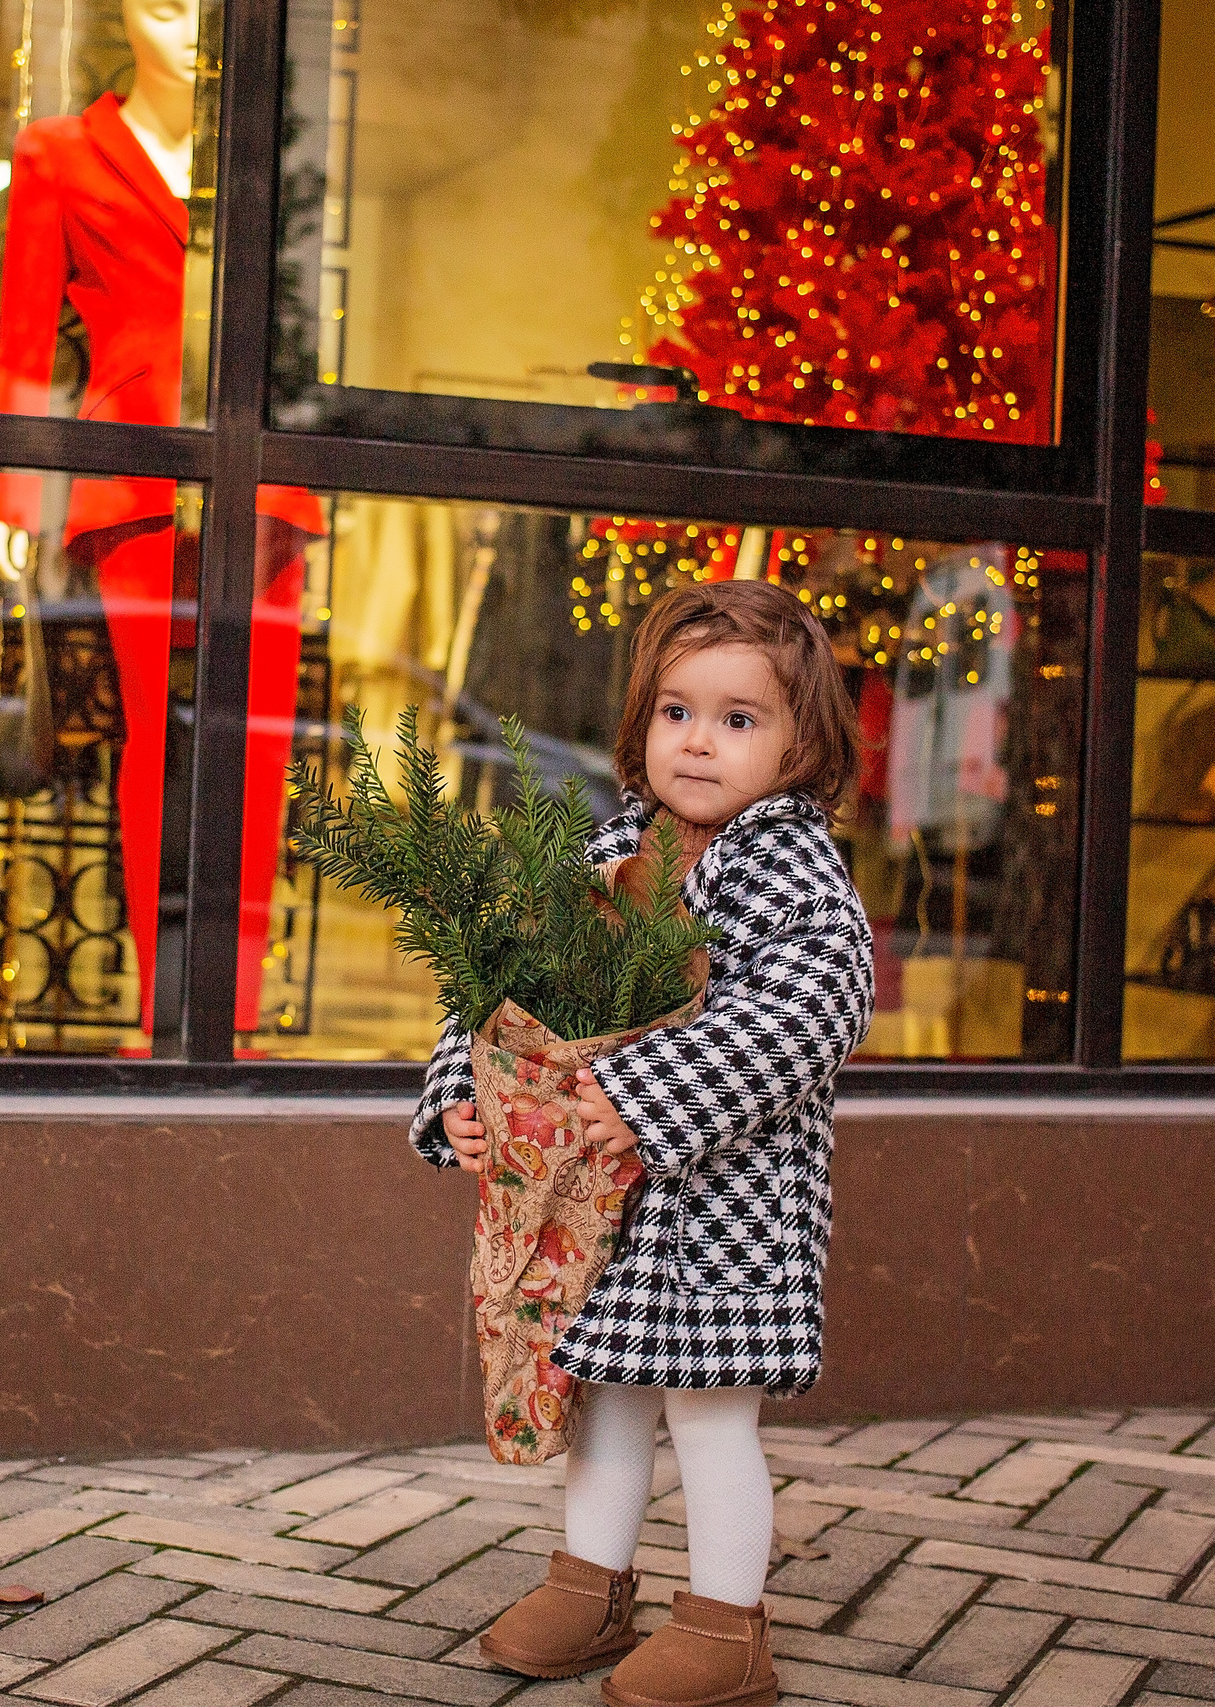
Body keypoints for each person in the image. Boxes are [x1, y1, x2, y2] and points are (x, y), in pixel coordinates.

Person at [409, 577, 873, 1707]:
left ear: (802, 743)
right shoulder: (607, 850)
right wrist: (459, 1100)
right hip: (598, 1210)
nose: (699, 743)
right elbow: (497, 988)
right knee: (602, 1398)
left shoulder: (790, 873)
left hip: (725, 1212)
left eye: (738, 719)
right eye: (677, 713)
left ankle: (726, 1625)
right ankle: (591, 1580)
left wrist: (642, 1093)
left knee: (711, 1419)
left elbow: (808, 1007)